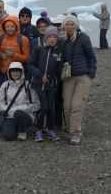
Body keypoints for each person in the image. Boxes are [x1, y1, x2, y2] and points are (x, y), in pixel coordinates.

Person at [62, 15, 97, 145]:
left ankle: (76, 133)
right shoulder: (63, 40)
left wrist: (91, 74)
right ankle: (69, 129)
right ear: (64, 26)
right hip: (68, 77)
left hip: (82, 77)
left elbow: (91, 57)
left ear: (76, 25)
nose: (69, 26)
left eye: (72, 24)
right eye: (67, 24)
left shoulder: (84, 38)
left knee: (76, 105)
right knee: (66, 106)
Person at [28, 27, 63, 142]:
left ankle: (50, 129)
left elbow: (59, 69)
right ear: (46, 38)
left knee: (51, 108)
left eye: (54, 37)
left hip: (51, 84)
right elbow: (30, 65)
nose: (52, 39)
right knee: (43, 107)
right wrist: (39, 74)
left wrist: (54, 76)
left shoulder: (58, 52)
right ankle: (38, 130)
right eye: (50, 37)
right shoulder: (39, 50)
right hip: (39, 84)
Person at [0, 62, 40, 141]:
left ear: (22, 72)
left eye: (17, 71)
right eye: (13, 71)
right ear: (9, 72)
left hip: (25, 116)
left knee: (18, 113)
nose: (15, 73)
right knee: (8, 136)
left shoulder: (28, 85)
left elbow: (37, 104)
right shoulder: (5, 86)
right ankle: (21, 129)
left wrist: (19, 110)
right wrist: (10, 111)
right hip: (10, 116)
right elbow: (0, 102)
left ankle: (23, 131)